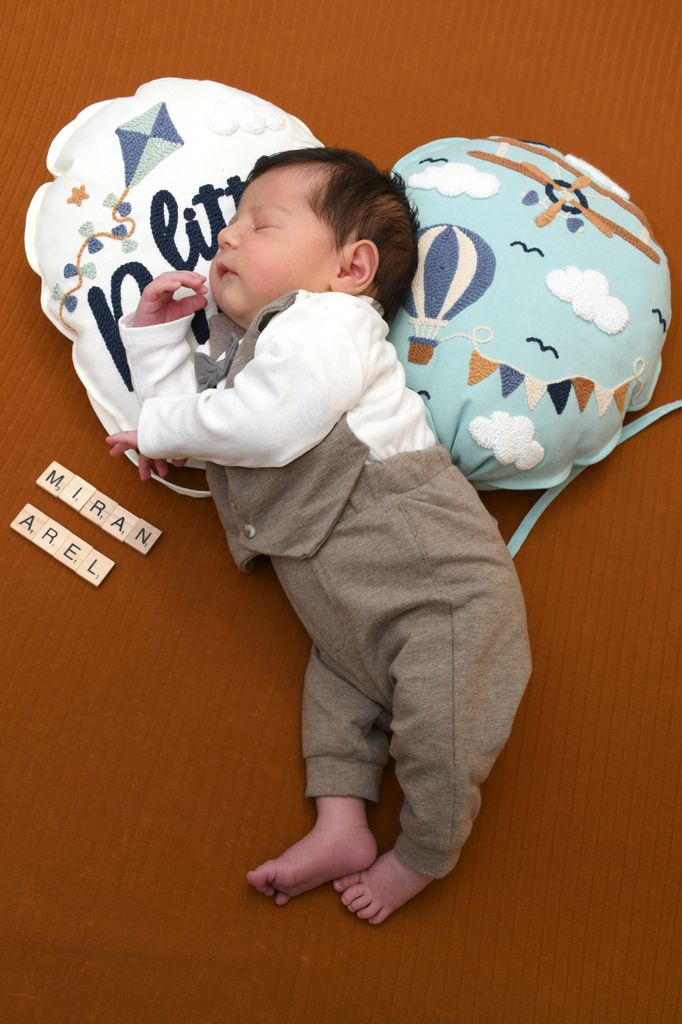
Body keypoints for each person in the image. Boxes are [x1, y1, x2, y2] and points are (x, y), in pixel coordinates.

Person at [106, 147, 532, 924]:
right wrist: (160, 342)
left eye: (260, 223)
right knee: (336, 705)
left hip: (439, 591)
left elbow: (266, 426)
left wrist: (161, 428)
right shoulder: (255, 352)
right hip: (344, 617)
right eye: (231, 222)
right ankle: (341, 825)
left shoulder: (330, 323)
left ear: (352, 268)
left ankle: (426, 851)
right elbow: (199, 428)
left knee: (444, 735)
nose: (227, 236)